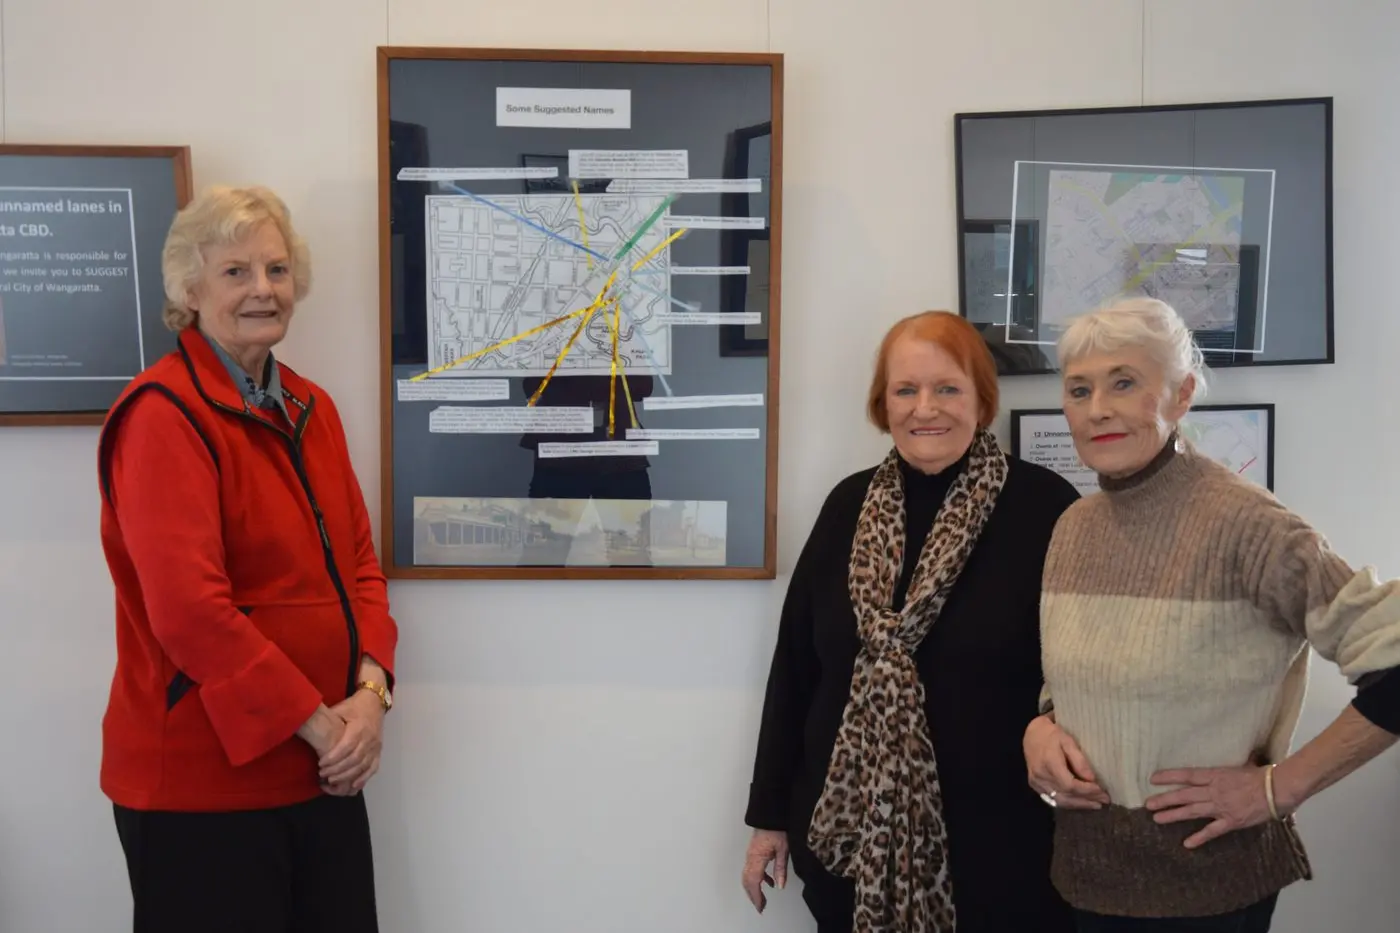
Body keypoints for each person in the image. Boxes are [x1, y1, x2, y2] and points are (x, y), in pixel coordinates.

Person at [1024, 297, 1400, 932]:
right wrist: (1042, 727)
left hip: (1209, 891)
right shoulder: (1073, 527)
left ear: (1182, 393)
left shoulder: (1247, 524)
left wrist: (1279, 789)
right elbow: (1079, 678)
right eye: (1079, 389)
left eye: (1125, 382)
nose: (1098, 410)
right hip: (1085, 876)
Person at [95, 185, 399, 933]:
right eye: (235, 271)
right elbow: (190, 613)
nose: (263, 289)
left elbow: (359, 565)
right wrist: (324, 727)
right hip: (202, 793)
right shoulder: (161, 415)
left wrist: (370, 693)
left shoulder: (311, 406)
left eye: (276, 269)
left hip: (323, 776)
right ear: (189, 290)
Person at [741, 310, 1081, 933]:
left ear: (982, 398)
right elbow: (795, 670)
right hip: (849, 845)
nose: (926, 408)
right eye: (906, 390)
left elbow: (1087, 671)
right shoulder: (847, 506)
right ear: (883, 403)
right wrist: (769, 817)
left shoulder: (1047, 508)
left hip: (1005, 850)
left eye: (948, 388)